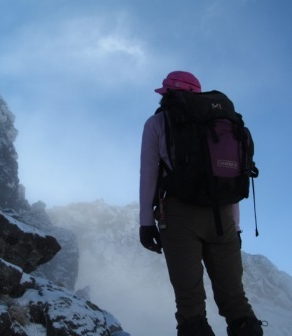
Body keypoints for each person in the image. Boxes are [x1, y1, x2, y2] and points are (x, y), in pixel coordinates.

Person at [138, 71, 263, 336]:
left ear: (168, 94)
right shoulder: (227, 125)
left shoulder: (158, 122)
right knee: (236, 302)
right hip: (224, 218)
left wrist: (146, 224)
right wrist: (235, 228)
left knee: (190, 305)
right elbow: (228, 181)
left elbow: (148, 174)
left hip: (179, 216)